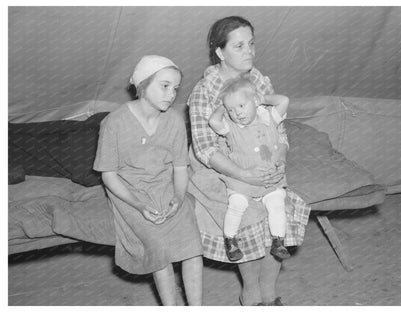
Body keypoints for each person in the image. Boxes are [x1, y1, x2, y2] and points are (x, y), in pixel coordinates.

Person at [188, 16, 311, 306]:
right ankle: (251, 292)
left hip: (261, 161)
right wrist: (244, 176)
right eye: (240, 46)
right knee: (248, 217)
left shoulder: (258, 80)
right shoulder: (204, 91)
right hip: (220, 168)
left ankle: (269, 292)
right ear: (219, 52)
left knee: (280, 210)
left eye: (252, 44)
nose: (250, 51)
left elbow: (277, 127)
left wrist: (280, 155)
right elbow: (206, 149)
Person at [94, 55, 203, 306]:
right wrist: (139, 206)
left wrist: (178, 197)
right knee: (159, 248)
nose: (171, 94)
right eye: (164, 86)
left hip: (166, 187)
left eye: (175, 88)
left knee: (192, 247)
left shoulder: (174, 121)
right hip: (130, 193)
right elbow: (108, 176)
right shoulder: (114, 123)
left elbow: (180, 169)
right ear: (142, 85)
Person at [208, 77, 291, 262]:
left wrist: (261, 98)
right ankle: (230, 240)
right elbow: (214, 121)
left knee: (276, 202)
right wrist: (224, 106)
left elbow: (284, 100)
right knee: (237, 204)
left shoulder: (269, 118)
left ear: (254, 101)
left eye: (241, 106)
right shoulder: (230, 128)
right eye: (231, 109)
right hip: (241, 181)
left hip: (270, 178)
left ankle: (278, 241)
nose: (237, 113)